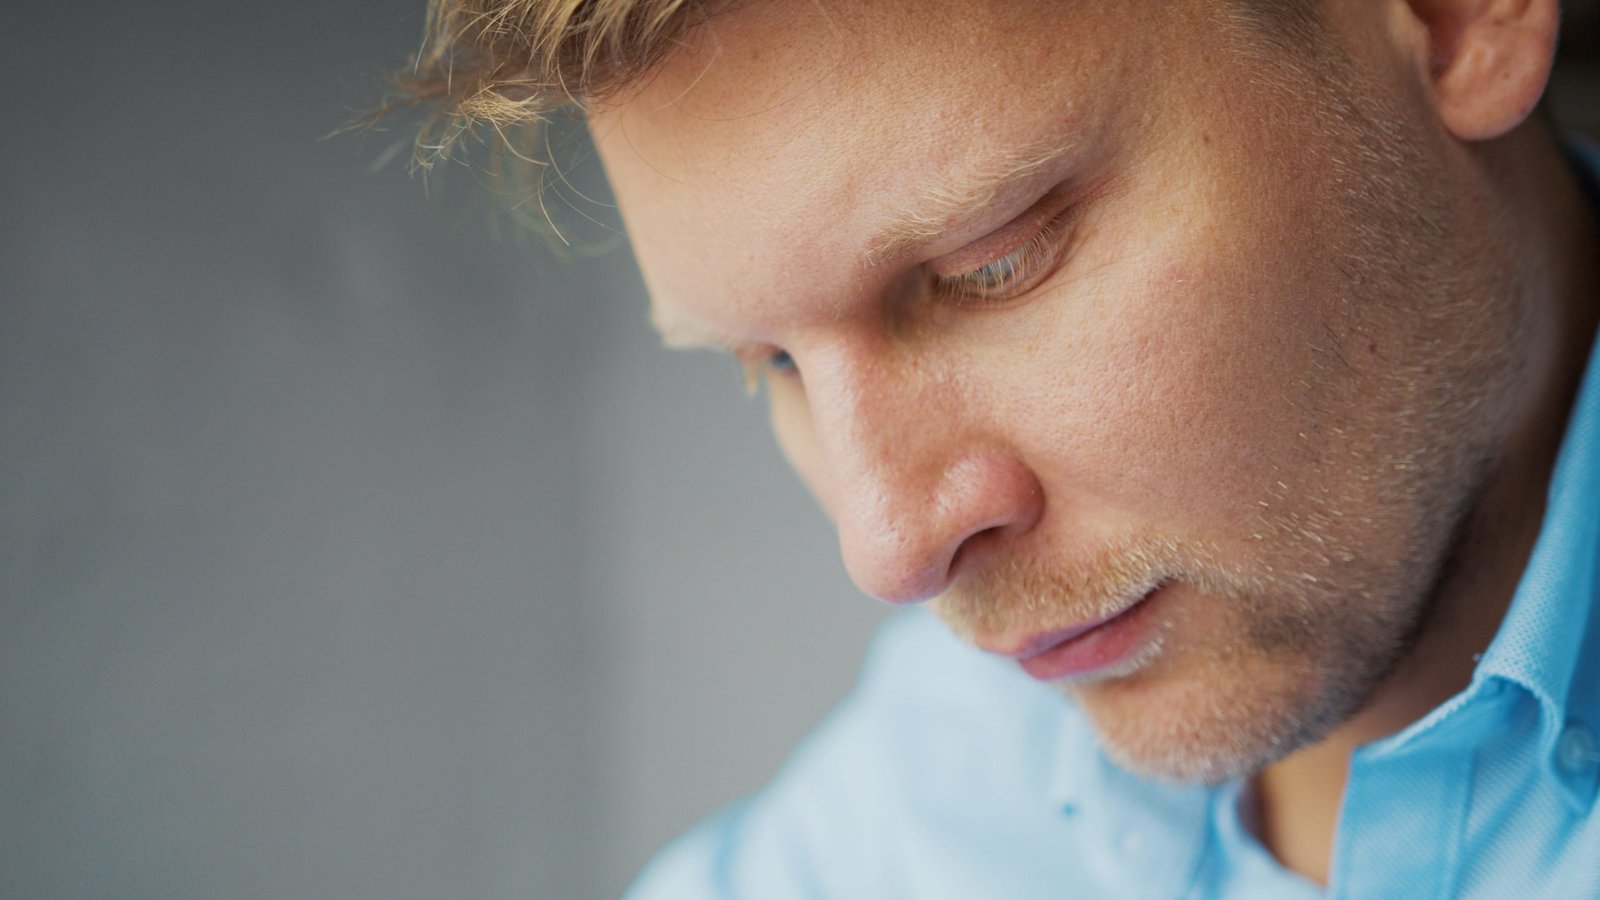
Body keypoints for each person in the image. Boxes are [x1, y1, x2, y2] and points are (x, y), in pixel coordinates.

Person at [392, 0, 1600, 895]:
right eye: (773, 364)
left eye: (993, 265)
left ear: (1455, 21)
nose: (890, 554)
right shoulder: (947, 767)